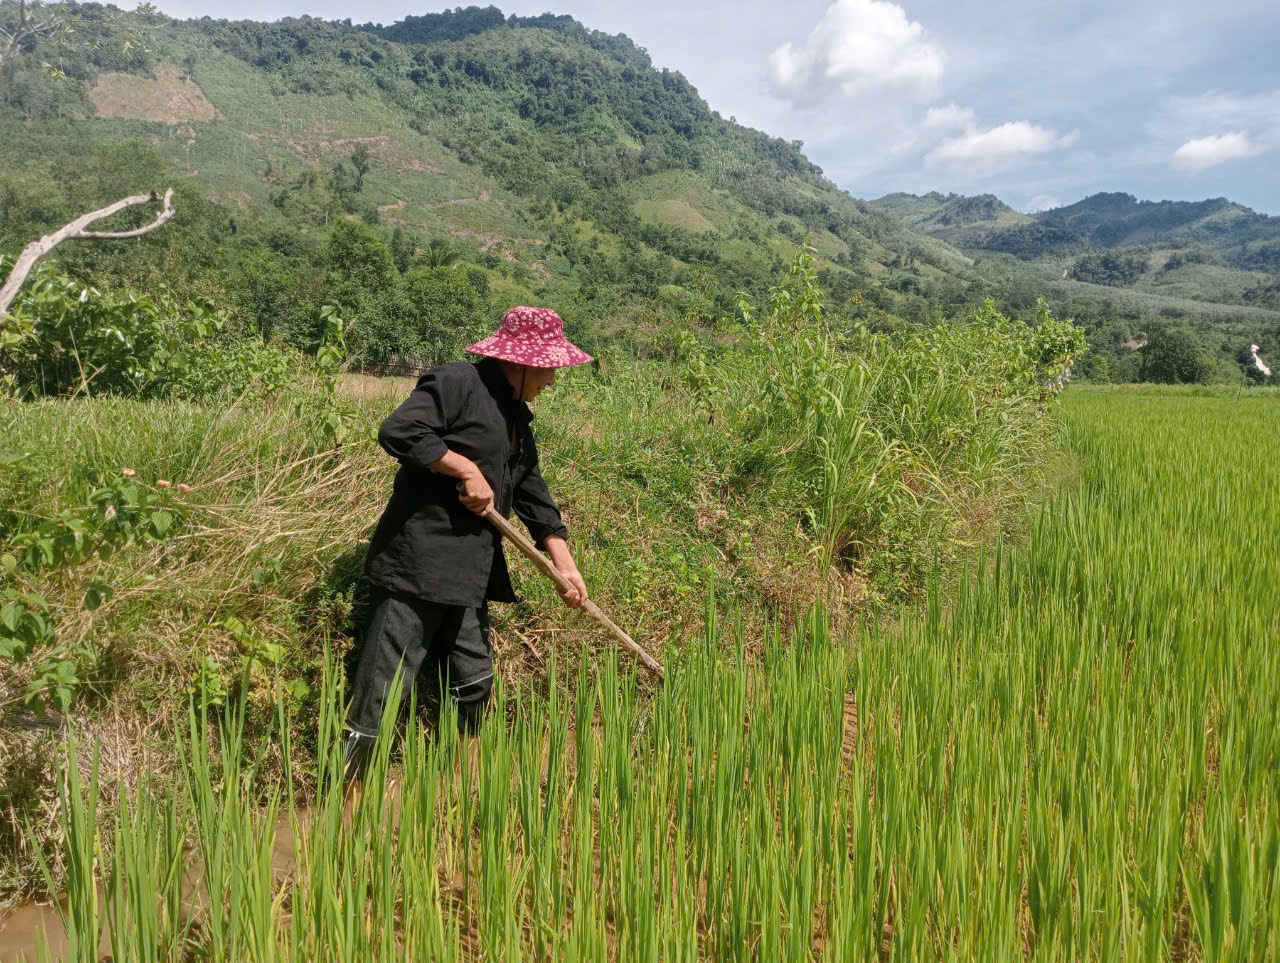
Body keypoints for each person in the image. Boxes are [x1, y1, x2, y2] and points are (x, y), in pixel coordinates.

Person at [343, 306, 592, 782]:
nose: (553, 380)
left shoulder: (516, 417)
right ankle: (347, 801)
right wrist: (464, 468)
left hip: (470, 573)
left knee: (475, 682)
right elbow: (400, 430)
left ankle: (464, 781)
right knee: (383, 689)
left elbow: (533, 494)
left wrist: (565, 564)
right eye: (548, 369)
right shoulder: (457, 383)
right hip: (415, 566)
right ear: (520, 363)